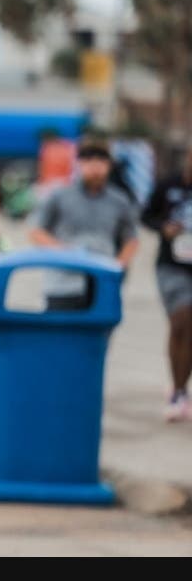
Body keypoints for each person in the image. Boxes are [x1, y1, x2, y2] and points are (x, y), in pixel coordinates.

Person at [27, 133, 138, 312]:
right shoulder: (60, 195)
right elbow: (37, 231)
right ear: (79, 164)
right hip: (64, 282)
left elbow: (130, 238)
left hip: (102, 281)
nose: (95, 168)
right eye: (88, 161)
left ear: (109, 165)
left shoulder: (119, 201)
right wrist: (62, 251)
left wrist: (118, 265)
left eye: (101, 162)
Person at [139, 147, 192, 422]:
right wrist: (164, 228)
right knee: (181, 320)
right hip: (171, 265)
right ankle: (178, 391)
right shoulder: (168, 185)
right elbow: (146, 216)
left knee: (190, 328)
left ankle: (181, 387)